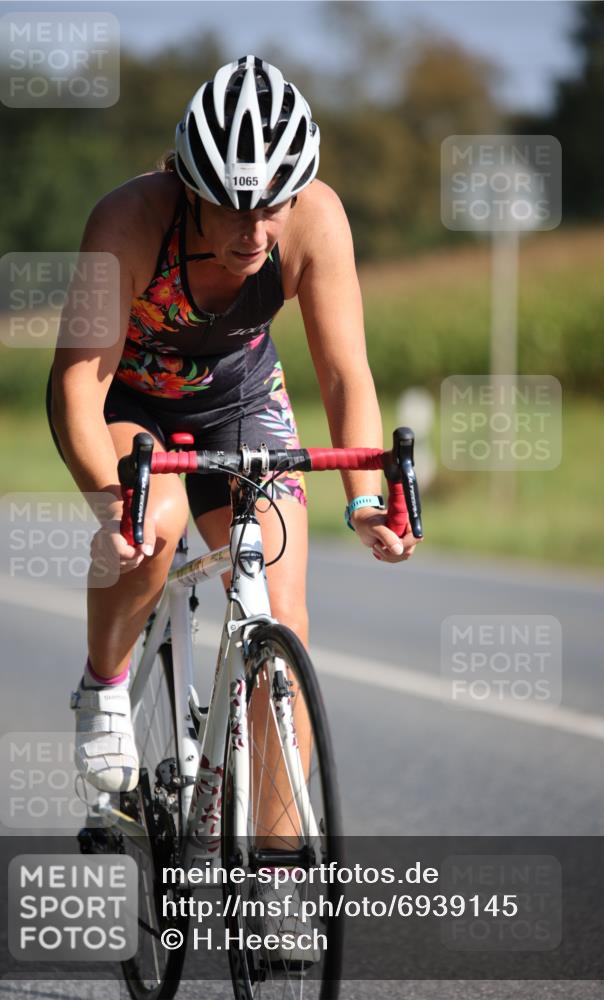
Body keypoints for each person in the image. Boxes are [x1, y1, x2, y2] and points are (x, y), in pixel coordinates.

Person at [46, 54, 419, 797]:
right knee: (155, 525)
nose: (253, 232)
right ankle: (104, 681)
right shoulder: (128, 220)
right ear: (189, 189)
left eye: (271, 206)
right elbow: (76, 384)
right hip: (132, 401)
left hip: (240, 401)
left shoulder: (315, 219)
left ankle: (277, 883)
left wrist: (364, 497)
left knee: (283, 622)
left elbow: (346, 373)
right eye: (229, 208)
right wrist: (108, 501)